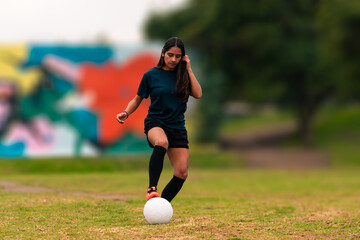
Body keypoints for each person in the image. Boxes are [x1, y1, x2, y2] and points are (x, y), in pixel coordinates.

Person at [116, 37, 202, 202]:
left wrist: (188, 69)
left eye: (178, 56)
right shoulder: (151, 75)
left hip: (177, 126)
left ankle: (160, 204)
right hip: (156, 122)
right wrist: (126, 113)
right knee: (162, 142)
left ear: (182, 57)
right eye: (170, 55)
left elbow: (198, 94)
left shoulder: (183, 76)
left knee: (181, 173)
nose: (173, 59)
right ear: (163, 53)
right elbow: (137, 99)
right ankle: (152, 188)